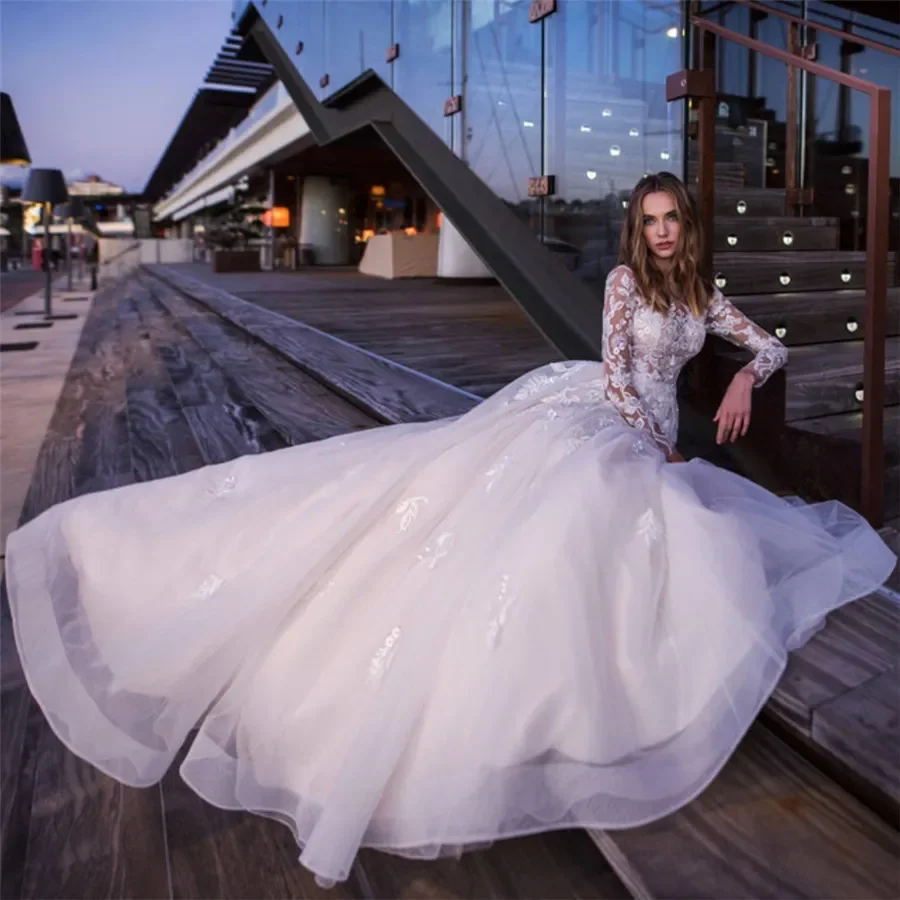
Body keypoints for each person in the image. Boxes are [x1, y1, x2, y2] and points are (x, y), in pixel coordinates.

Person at [5, 172, 894, 887]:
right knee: (538, 501)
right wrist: (655, 445)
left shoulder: (702, 296)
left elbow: (768, 345)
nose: (661, 232)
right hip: (601, 412)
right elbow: (622, 376)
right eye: (650, 219)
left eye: (672, 220)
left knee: (636, 526)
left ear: (687, 228)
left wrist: (742, 378)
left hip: (647, 431)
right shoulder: (626, 283)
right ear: (638, 228)